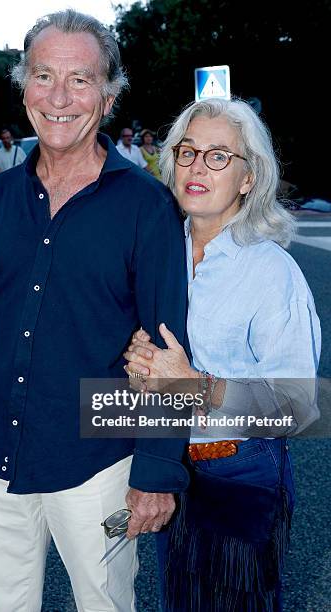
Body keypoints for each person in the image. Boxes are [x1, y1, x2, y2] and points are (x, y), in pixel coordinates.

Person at [0, 10, 189, 612]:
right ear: (23, 86)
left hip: (100, 466)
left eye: (80, 80)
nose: (60, 98)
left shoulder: (147, 207)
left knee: (104, 602)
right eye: (44, 76)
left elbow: (172, 350)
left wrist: (155, 470)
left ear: (109, 94)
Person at [124, 98, 321, 611]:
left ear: (248, 178)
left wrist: (195, 385)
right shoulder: (157, 253)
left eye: (218, 156)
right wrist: (138, 361)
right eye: (188, 151)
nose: (196, 166)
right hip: (168, 465)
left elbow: (299, 408)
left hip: (239, 474)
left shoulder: (271, 272)